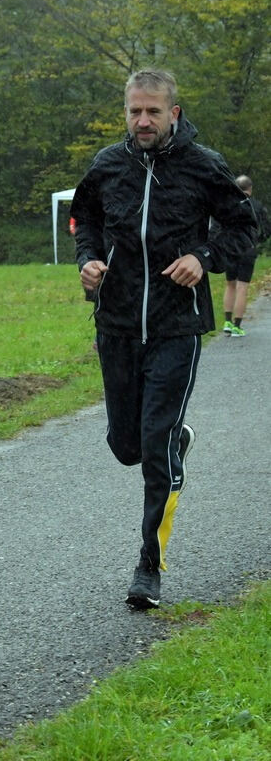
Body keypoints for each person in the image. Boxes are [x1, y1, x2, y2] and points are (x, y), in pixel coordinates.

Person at [71, 69, 255, 609]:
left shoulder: (204, 165)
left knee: (154, 448)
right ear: (125, 113)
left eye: (153, 111)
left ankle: (148, 566)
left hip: (177, 327)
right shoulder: (108, 165)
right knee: (125, 446)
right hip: (118, 325)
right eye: (134, 111)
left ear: (174, 113)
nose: (143, 121)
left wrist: (205, 257)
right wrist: (89, 261)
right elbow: (85, 219)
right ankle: (171, 440)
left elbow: (245, 227)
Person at [221, 175, 270, 337]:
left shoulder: (227, 204)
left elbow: (218, 226)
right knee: (242, 287)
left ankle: (227, 322)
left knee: (230, 284)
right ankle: (237, 326)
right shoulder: (257, 206)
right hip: (248, 248)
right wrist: (258, 240)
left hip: (231, 248)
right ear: (250, 188)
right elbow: (267, 229)